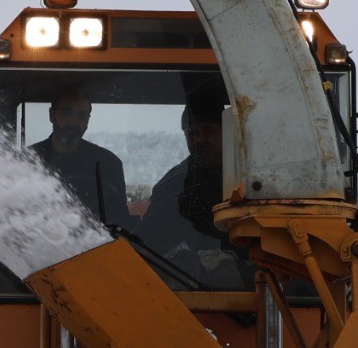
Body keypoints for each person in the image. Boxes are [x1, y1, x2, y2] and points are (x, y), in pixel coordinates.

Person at [141, 85, 251, 286]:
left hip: (251, 290)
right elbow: (151, 244)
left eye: (208, 130)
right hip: (186, 291)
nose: (199, 139)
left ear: (227, 133)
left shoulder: (253, 180)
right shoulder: (171, 186)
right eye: (191, 133)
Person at [28, 81, 129, 230]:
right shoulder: (28, 159)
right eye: (67, 113)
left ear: (88, 119)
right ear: (51, 115)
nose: (74, 122)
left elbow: (120, 222)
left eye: (81, 115)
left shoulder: (108, 163)